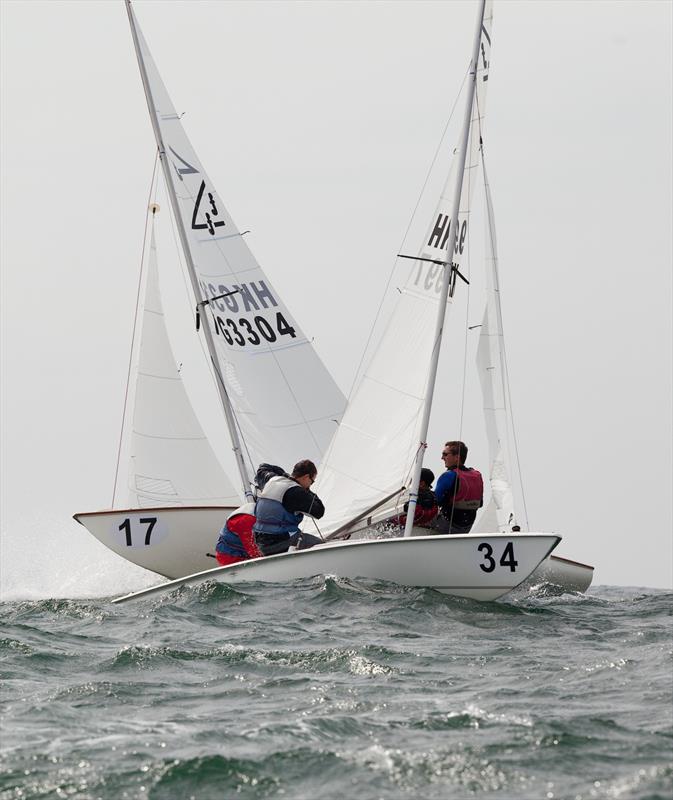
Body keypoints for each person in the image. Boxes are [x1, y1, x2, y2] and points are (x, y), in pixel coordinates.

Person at [253, 459, 325, 556]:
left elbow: (263, 468)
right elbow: (319, 511)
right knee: (321, 546)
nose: (310, 484)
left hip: (260, 543)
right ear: (306, 477)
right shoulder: (296, 492)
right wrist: (308, 491)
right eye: (312, 481)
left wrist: (285, 475)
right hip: (281, 542)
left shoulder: (272, 480)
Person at [434, 440, 483, 534]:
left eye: (445, 454)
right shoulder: (477, 475)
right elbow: (480, 503)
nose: (442, 458)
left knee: (411, 513)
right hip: (466, 527)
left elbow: (435, 501)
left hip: (447, 525)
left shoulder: (448, 476)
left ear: (457, 457)